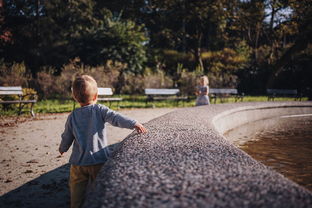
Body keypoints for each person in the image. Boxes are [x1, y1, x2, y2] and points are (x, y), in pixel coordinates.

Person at [59, 75, 147, 208]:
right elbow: (116, 118)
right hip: (99, 161)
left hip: (78, 163)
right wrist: (133, 123)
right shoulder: (100, 110)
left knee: (77, 191)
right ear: (95, 96)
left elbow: (67, 136)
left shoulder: (72, 116)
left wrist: (63, 147)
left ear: (75, 98)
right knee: (100, 190)